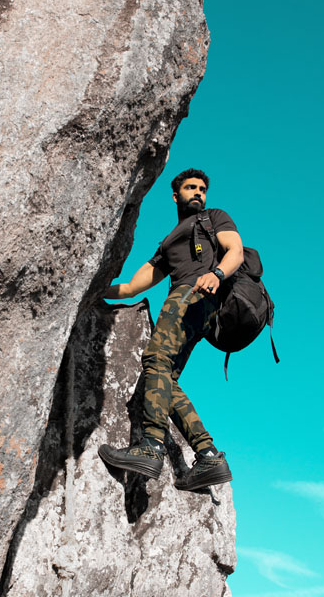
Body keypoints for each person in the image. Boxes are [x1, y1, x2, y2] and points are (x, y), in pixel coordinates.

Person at [98, 169, 244, 491]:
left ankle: (151, 446)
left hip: (194, 296)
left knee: (154, 359)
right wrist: (91, 290)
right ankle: (208, 456)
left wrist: (217, 274)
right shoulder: (167, 244)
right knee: (165, 375)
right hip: (194, 307)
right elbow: (132, 288)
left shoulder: (213, 218)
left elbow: (236, 250)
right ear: (175, 195)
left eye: (202, 189)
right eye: (191, 188)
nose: (198, 193)